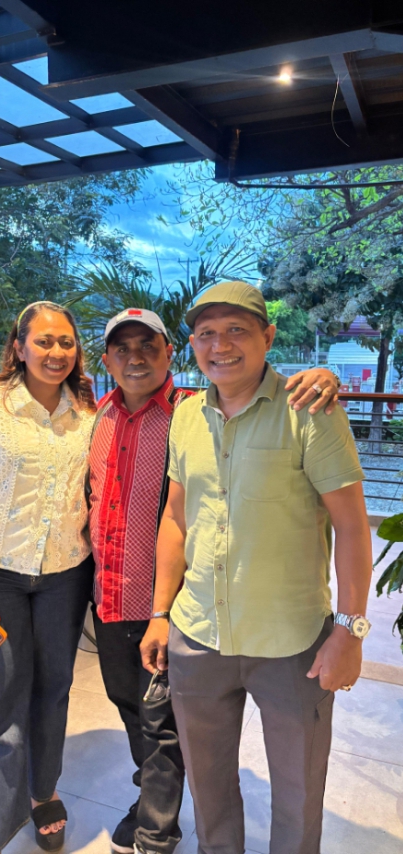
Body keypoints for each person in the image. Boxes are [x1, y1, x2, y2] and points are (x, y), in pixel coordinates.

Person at [88, 306, 341, 854]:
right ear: (106, 361)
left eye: (148, 346)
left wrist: (325, 376)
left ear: (169, 353)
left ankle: (156, 827)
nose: (135, 359)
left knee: (181, 733)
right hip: (133, 600)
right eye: (122, 349)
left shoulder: (197, 408)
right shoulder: (97, 415)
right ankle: (154, 812)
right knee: (146, 721)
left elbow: (347, 521)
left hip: (250, 618)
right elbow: (161, 514)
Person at [140, 282, 373, 854]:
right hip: (199, 635)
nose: (220, 345)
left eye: (236, 330)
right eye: (206, 333)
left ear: (267, 337)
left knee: (298, 791)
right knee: (209, 788)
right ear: (192, 344)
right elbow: (176, 519)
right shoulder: (186, 416)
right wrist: (161, 613)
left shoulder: (310, 412)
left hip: (290, 643)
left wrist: (350, 630)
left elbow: (351, 526)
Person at [0, 301, 96, 854]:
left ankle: (42, 793)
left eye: (66, 342)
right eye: (44, 341)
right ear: (19, 347)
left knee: (53, 692)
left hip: (64, 577)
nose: (56, 352)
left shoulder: (88, 413)